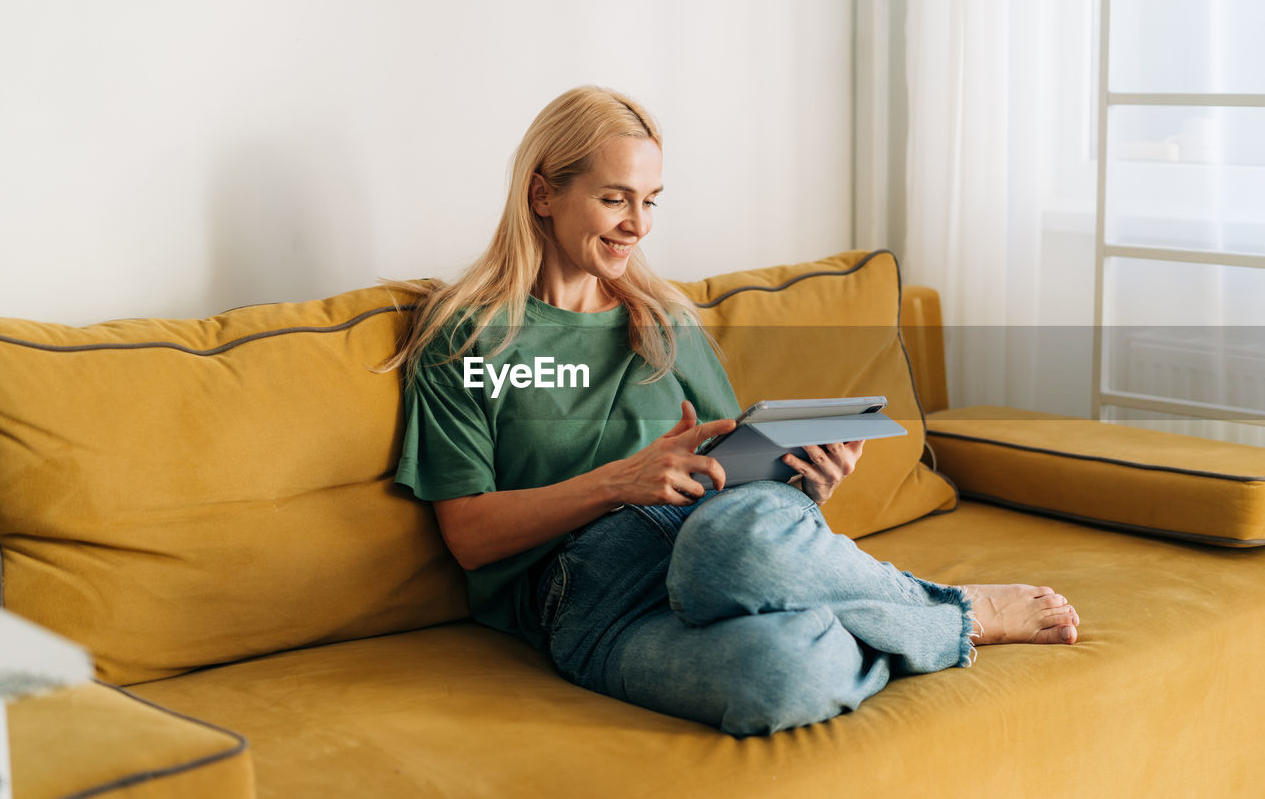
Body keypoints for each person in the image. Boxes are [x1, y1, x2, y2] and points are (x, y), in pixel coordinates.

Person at [391, 86, 1079, 737]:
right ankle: (934, 625)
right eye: (614, 198)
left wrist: (808, 484)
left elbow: (741, 489)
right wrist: (618, 482)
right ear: (543, 192)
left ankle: (953, 608)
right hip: (591, 596)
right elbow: (470, 537)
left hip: (718, 539)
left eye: (651, 200)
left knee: (729, 545)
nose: (638, 224)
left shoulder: (664, 321)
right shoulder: (466, 335)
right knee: (781, 676)